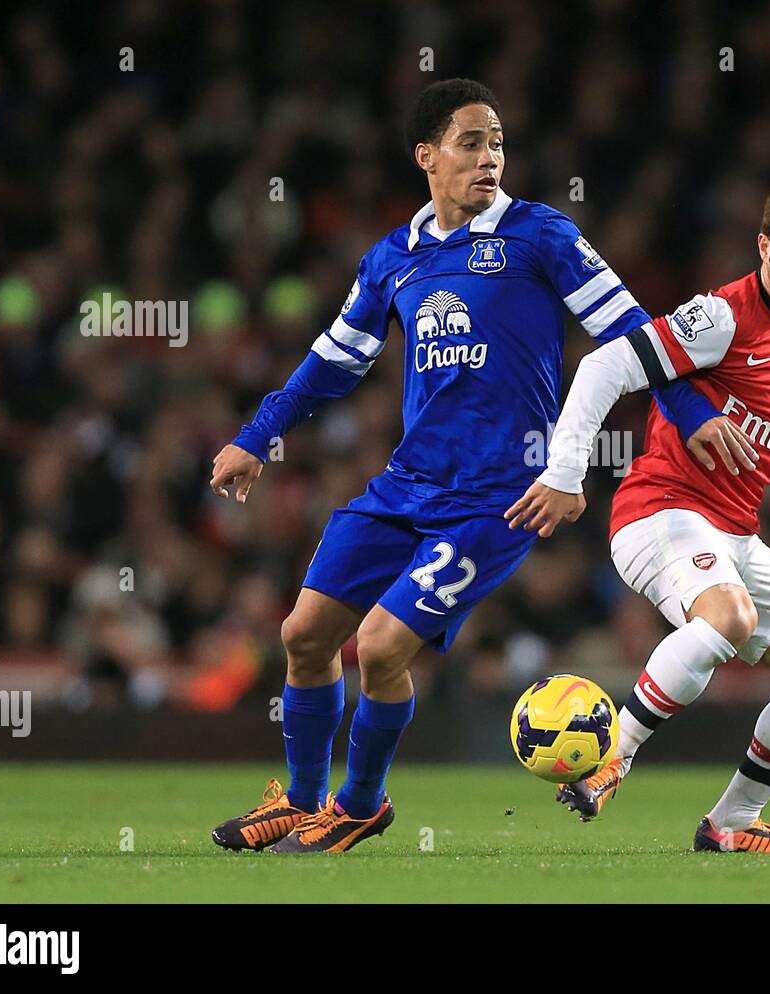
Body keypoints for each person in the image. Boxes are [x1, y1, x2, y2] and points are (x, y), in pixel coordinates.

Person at [205, 78, 742, 854]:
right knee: (304, 635)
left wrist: (693, 415)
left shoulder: (540, 234)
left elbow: (630, 330)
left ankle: (360, 804)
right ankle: (298, 799)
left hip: (499, 496)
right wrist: (257, 436)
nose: (489, 157)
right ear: (427, 156)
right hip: (404, 487)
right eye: (470, 142)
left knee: (384, 645)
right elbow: (332, 363)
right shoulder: (392, 258)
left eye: (497, 143)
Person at [507, 169, 770, 854]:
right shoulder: (721, 316)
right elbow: (603, 369)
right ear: (764, 245)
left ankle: (731, 825)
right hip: (659, 513)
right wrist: (565, 473)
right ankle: (612, 759)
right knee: (730, 616)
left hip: (734, 534)